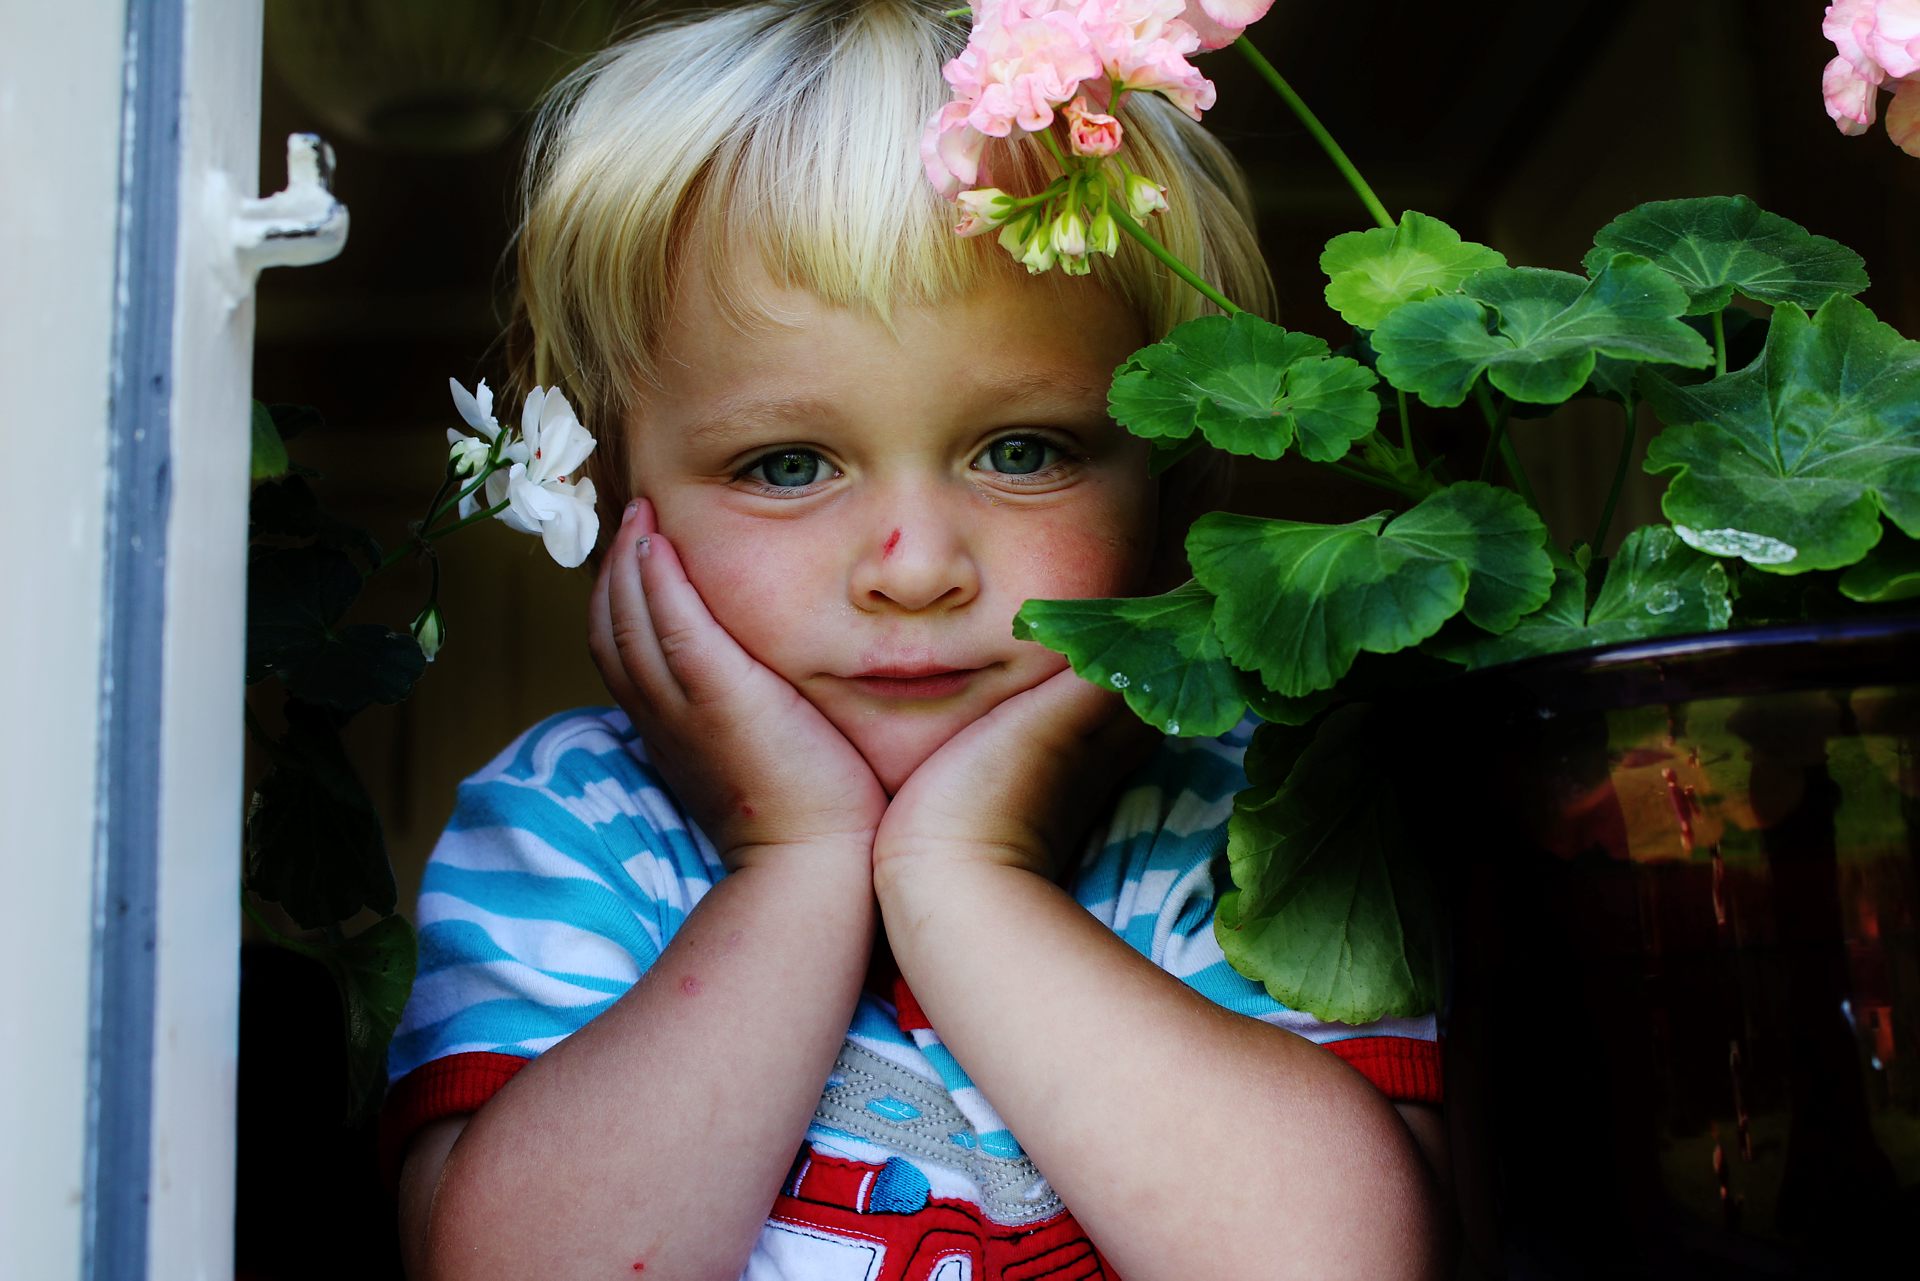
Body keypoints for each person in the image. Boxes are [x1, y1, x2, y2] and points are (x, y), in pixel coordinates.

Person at [382, 2, 1445, 1276]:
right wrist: (794, 859)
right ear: (613, 488)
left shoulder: (1258, 819)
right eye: (787, 464)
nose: (918, 566)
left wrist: (966, 873)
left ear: (1169, 486)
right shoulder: (575, 827)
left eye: (1023, 452)